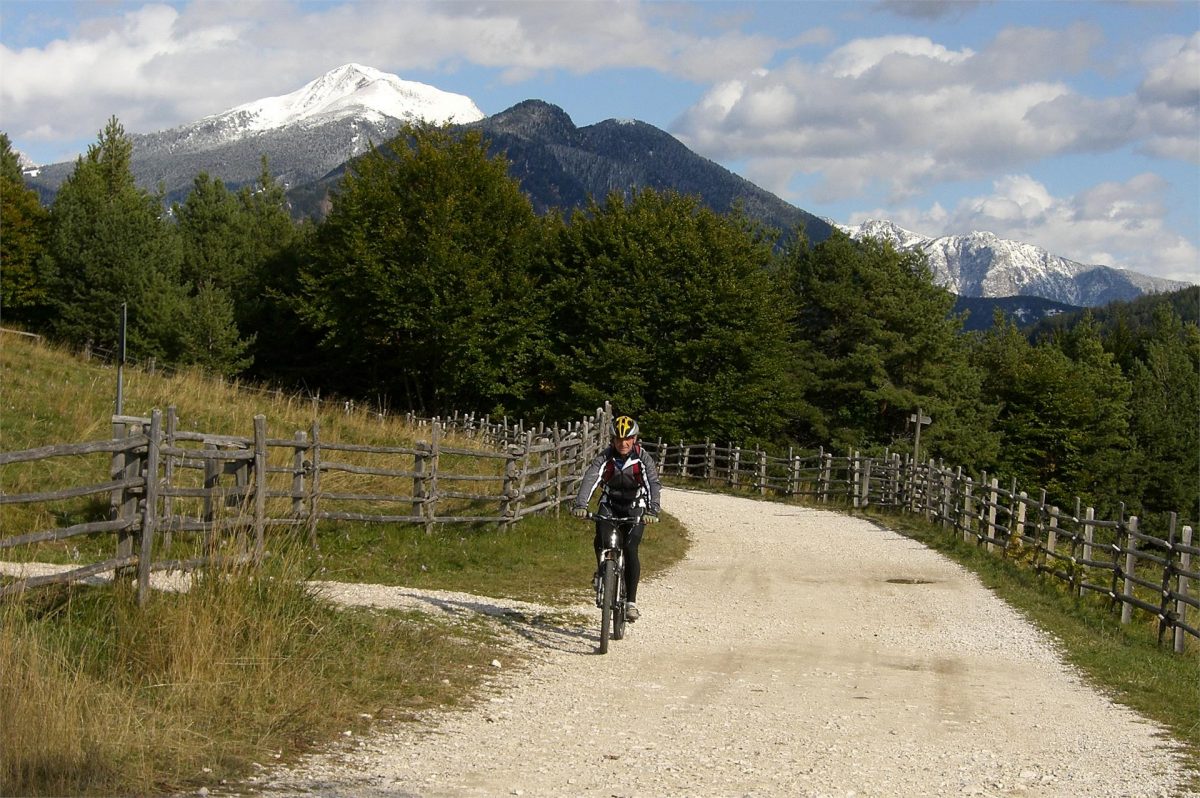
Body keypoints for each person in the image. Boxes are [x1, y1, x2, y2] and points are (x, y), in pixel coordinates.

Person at [571, 415, 662, 621]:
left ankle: (630, 602)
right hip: (610, 503)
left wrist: (653, 510)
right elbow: (591, 478)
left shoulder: (643, 458)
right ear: (613, 440)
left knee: (630, 548)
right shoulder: (605, 457)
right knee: (601, 536)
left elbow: (652, 484)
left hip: (635, 506)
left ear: (635, 439)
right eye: (619, 439)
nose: (623, 443)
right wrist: (581, 505)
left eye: (627, 439)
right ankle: (603, 571)